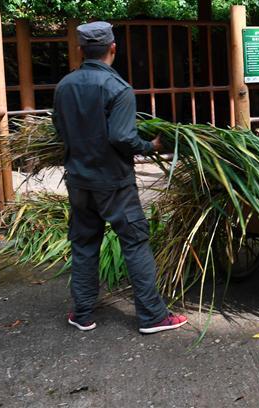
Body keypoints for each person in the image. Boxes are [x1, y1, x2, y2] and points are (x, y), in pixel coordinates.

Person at [53, 21, 187, 334]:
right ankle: (152, 316)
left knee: (84, 244)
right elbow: (122, 137)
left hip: (78, 181)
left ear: (80, 50)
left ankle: (82, 313)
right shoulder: (119, 88)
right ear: (113, 48)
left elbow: (60, 129)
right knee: (135, 243)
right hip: (113, 183)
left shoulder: (64, 86)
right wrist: (150, 146)